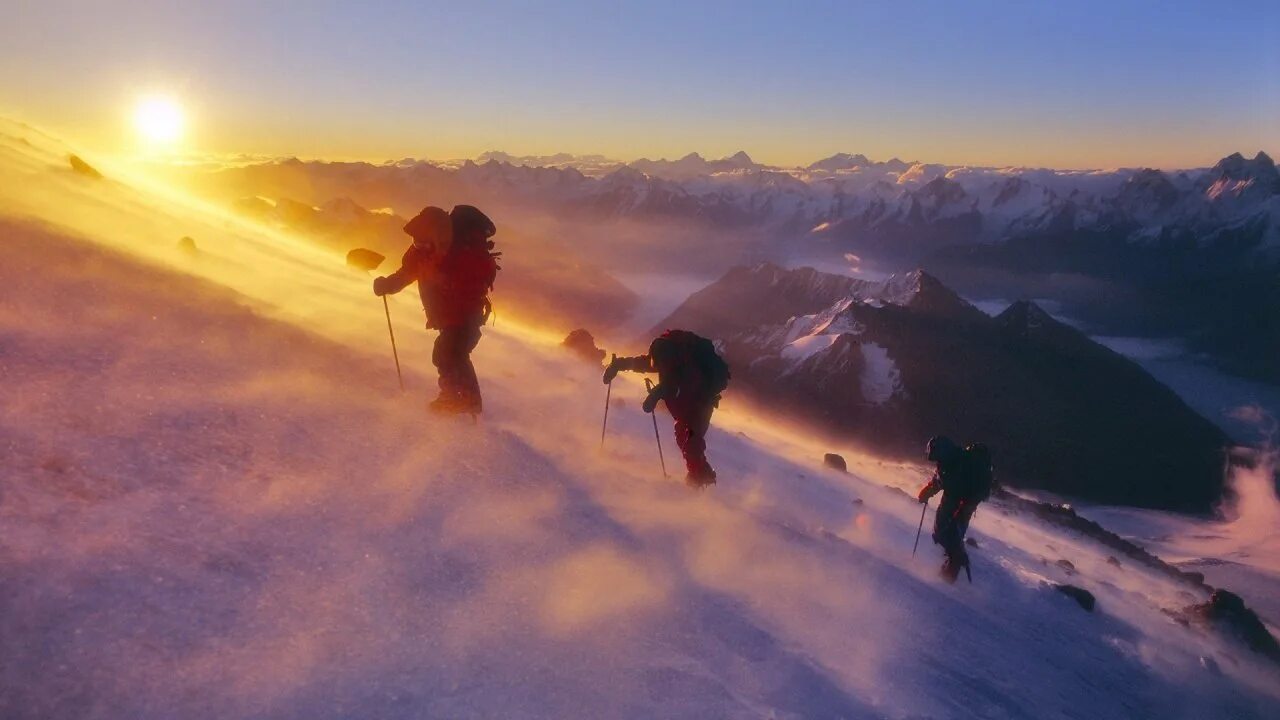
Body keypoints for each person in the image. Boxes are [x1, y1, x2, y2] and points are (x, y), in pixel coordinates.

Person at [374, 205, 499, 414]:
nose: (418, 245)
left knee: (447, 353)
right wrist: (387, 285)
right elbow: (406, 273)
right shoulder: (422, 252)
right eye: (416, 241)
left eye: (422, 241)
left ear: (437, 237)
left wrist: (449, 289)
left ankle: (456, 399)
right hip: (450, 317)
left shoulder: (459, 255)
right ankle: (466, 400)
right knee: (452, 354)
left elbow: (471, 287)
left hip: (466, 316)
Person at [603, 330, 730, 486]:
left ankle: (698, 480)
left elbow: (675, 386)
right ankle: (701, 476)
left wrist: (657, 393)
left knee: (692, 444)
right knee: (684, 440)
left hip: (700, 406)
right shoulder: (666, 357)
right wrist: (618, 365)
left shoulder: (685, 367)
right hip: (685, 406)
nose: (659, 368)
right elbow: (646, 364)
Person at [917, 436, 993, 583]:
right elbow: (941, 480)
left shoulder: (955, 464)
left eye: (935, 456)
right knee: (948, 532)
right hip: (961, 500)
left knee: (948, 532)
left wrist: (928, 492)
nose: (935, 461)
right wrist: (927, 492)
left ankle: (950, 573)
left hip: (962, 501)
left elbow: (945, 481)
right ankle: (952, 567)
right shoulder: (952, 461)